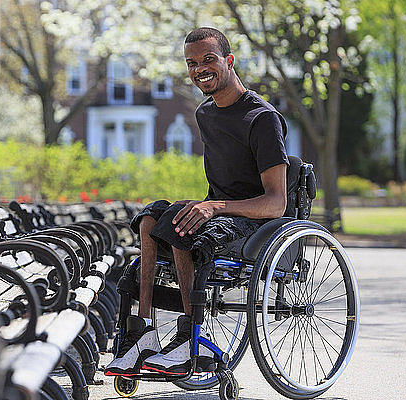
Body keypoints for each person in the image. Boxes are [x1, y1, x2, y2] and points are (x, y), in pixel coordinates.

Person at [105, 27, 289, 376]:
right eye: (192, 63)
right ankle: (143, 330)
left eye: (209, 59)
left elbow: (276, 203)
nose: (200, 69)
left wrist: (214, 206)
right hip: (217, 212)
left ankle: (188, 337)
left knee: (182, 227)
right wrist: (204, 204)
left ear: (229, 61)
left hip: (253, 221)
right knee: (150, 218)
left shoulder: (262, 119)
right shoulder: (205, 113)